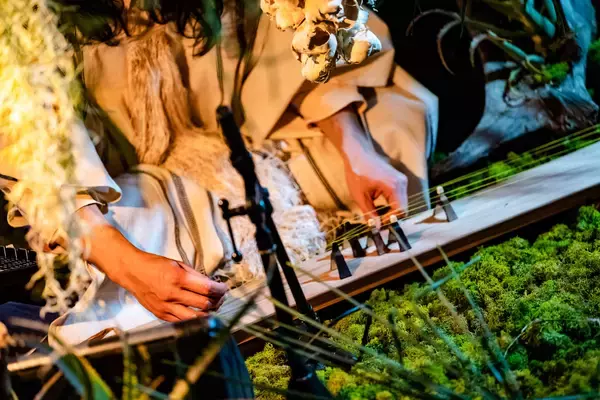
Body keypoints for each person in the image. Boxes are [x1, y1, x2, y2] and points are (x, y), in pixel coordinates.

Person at [0, 0, 437, 341]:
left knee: (391, 126)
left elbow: (290, 35)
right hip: (110, 189)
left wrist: (356, 152)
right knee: (140, 251)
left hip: (241, 139)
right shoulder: (26, 16)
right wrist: (129, 265)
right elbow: (31, 136)